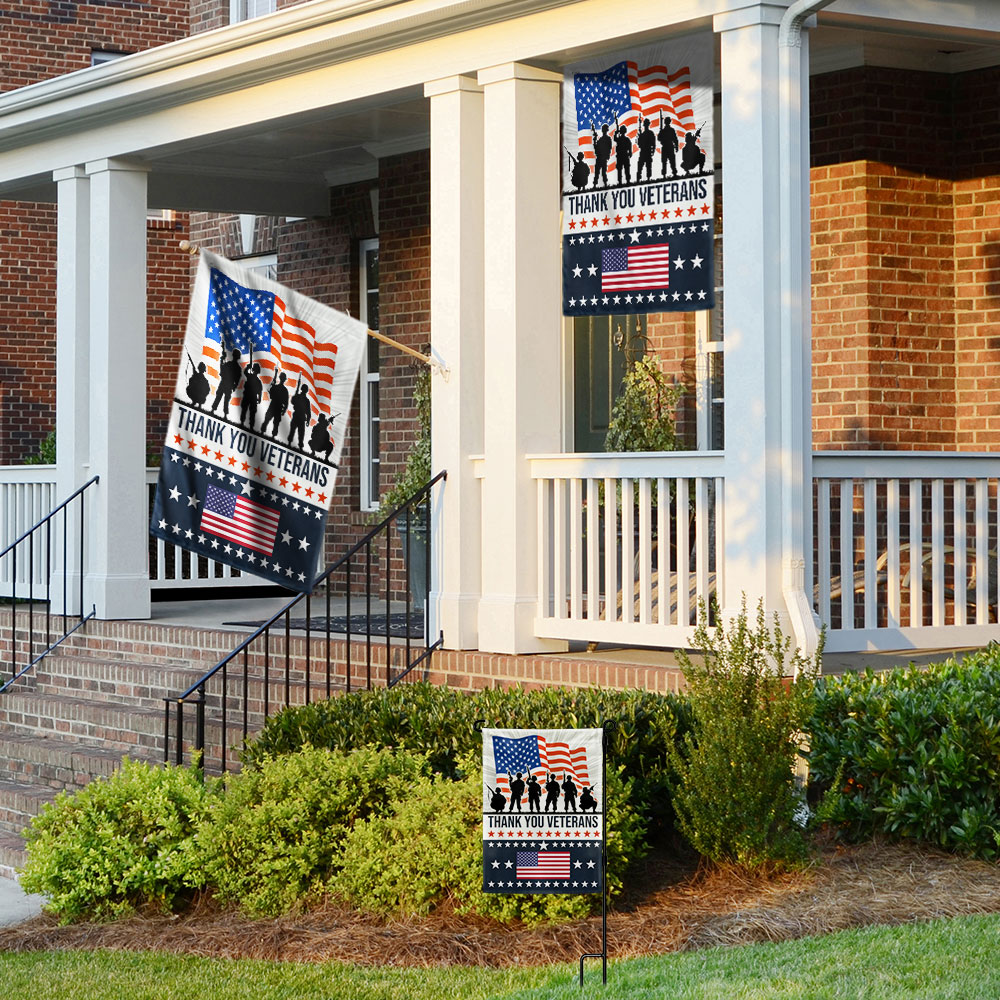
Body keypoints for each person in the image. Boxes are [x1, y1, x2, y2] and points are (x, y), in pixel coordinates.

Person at [210, 348, 243, 415]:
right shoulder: (237, 367)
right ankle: (217, 411)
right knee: (222, 398)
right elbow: (237, 379)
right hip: (226, 383)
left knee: (222, 398)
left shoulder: (233, 366)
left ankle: (216, 411)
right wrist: (222, 361)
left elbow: (237, 378)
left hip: (226, 383)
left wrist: (222, 361)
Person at [261, 370, 289, 438]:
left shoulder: (278, 388)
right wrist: (284, 410)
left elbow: (271, 394)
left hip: (275, 406)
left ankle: (265, 433)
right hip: (276, 406)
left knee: (271, 421)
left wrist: (272, 385)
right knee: (271, 421)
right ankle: (270, 435)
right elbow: (286, 403)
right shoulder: (284, 390)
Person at [287, 381, 311, 450]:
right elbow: (292, 402)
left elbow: (308, 412)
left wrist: (308, 420)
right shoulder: (305, 399)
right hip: (298, 416)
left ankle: (298, 446)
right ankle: (291, 444)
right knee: (296, 432)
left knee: (300, 433)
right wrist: (296, 391)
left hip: (299, 417)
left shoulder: (305, 400)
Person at [239, 361, 263, 430]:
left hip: (252, 398)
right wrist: (248, 367)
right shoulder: (251, 377)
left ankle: (250, 426)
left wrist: (259, 398)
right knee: (245, 410)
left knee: (251, 412)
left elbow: (259, 391)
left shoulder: (255, 379)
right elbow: (245, 372)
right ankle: (243, 423)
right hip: (248, 396)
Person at [591, 121, 612, 188]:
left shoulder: (607, 139)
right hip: (600, 157)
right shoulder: (602, 139)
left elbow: (609, 148)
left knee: (602, 172)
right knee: (598, 172)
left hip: (602, 158)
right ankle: (595, 185)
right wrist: (594, 141)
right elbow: (596, 149)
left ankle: (604, 184)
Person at [658, 112, 679, 178]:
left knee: (670, 161)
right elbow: (659, 138)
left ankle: (672, 174)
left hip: (668, 146)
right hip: (667, 146)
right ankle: (667, 174)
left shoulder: (669, 130)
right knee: (665, 161)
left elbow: (675, 139)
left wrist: (676, 146)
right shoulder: (667, 130)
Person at [636, 117, 656, 182]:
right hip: (644, 151)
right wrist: (639, 136)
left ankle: (648, 178)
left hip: (647, 151)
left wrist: (653, 150)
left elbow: (653, 143)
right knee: (641, 166)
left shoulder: (650, 133)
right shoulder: (644, 134)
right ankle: (639, 178)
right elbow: (639, 144)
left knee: (648, 166)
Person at [614, 120, 632, 185]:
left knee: (624, 169)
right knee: (621, 169)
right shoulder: (622, 139)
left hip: (623, 155)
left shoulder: (624, 139)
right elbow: (615, 138)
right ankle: (622, 181)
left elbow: (630, 147)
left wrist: (630, 153)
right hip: (621, 156)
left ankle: (625, 181)